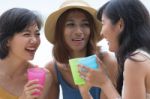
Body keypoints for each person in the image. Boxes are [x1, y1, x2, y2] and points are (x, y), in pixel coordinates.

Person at [44, 0, 118, 99]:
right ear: (60, 31)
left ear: (91, 30)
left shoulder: (107, 61)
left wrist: (85, 93)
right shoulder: (52, 69)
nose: (79, 31)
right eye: (71, 24)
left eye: (85, 24)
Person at [79, 0, 150, 99]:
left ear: (120, 24)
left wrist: (104, 82)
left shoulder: (135, 61)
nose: (101, 33)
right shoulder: (143, 56)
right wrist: (85, 93)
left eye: (103, 23)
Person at [0, 8, 51, 99]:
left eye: (37, 34)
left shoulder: (43, 77)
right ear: (7, 40)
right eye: (26, 34)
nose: (34, 40)